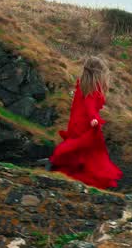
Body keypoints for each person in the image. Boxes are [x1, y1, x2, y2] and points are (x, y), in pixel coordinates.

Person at [49, 56, 122, 189]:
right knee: (92, 153)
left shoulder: (82, 85)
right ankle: (88, 179)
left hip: (76, 123)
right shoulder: (93, 89)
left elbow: (80, 106)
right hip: (87, 124)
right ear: (98, 73)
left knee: (80, 150)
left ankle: (68, 172)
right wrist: (93, 119)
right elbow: (89, 105)